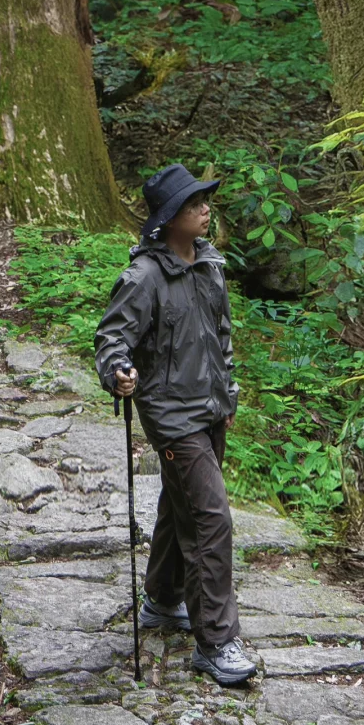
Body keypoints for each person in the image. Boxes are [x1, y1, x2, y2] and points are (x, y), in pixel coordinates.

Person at [94, 162, 256, 686]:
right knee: (210, 517)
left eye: (204, 201)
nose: (205, 210)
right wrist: (117, 371)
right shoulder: (144, 277)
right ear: (168, 219)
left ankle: (163, 599)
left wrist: (228, 392)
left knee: (179, 501)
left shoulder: (210, 265)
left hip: (210, 408)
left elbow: (221, 334)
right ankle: (216, 642)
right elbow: (112, 337)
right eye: (193, 205)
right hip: (171, 415)